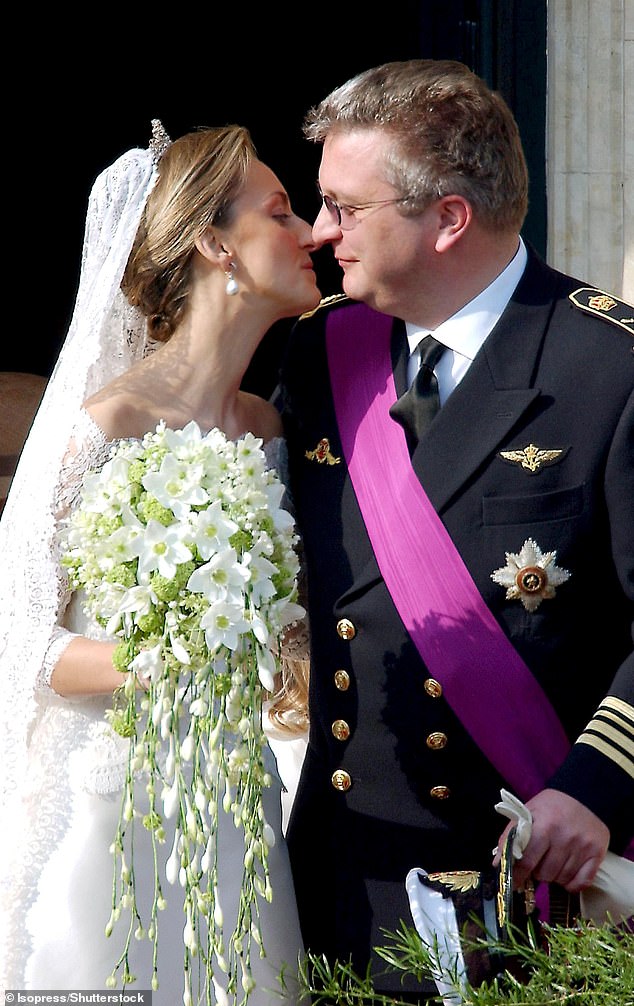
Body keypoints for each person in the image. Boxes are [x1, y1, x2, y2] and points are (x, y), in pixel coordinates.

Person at [278, 59, 634, 1000]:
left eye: (345, 207)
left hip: (525, 887)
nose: (321, 234)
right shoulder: (320, 353)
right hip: (343, 883)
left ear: (447, 219)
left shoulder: (608, 368)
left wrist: (595, 789)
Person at [0, 121, 318, 1002]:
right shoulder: (107, 427)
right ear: (216, 243)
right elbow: (18, 640)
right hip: (106, 813)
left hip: (237, 809)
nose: (314, 233)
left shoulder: (269, 431)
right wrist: (161, 664)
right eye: (282, 212)